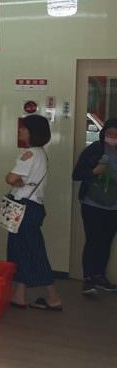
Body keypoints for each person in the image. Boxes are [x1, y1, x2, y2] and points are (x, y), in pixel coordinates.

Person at [6, 114, 62, 311]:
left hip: (24, 209)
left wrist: (13, 179)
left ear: (32, 132)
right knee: (21, 250)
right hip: (31, 208)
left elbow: (11, 178)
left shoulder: (29, 154)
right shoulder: (40, 153)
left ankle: (53, 297)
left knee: (34, 251)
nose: (20, 130)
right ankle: (19, 296)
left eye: (24, 128)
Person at [72, 118, 117, 295]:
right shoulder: (94, 149)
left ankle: (100, 277)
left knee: (106, 242)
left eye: (116, 135)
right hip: (92, 204)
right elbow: (77, 174)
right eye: (110, 134)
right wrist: (94, 172)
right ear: (103, 133)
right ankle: (88, 279)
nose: (113, 138)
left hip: (114, 207)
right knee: (92, 241)